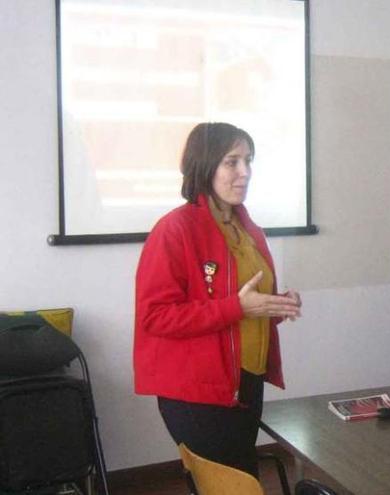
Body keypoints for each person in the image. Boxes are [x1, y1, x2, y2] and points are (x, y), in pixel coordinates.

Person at [133, 122, 302, 476]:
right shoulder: (175, 229)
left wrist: (274, 306)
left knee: (241, 476)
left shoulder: (246, 227)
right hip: (199, 391)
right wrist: (237, 307)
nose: (245, 172)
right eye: (232, 162)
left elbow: (243, 302)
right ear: (205, 165)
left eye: (248, 161)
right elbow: (156, 316)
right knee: (228, 483)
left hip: (246, 381)